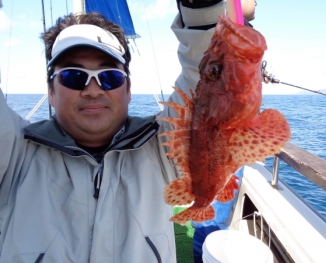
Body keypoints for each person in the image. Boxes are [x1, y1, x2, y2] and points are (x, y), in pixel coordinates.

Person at [0, 1, 241, 262]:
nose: (93, 90)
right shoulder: (14, 152)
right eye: (73, 76)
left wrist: (200, 7)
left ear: (128, 90)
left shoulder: (161, 146)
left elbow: (205, 71)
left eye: (110, 76)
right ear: (51, 92)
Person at [175, 1, 258, 262]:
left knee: (215, 198)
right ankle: (203, 247)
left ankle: (203, 243)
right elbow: (247, 7)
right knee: (212, 215)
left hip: (227, 127)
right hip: (226, 130)